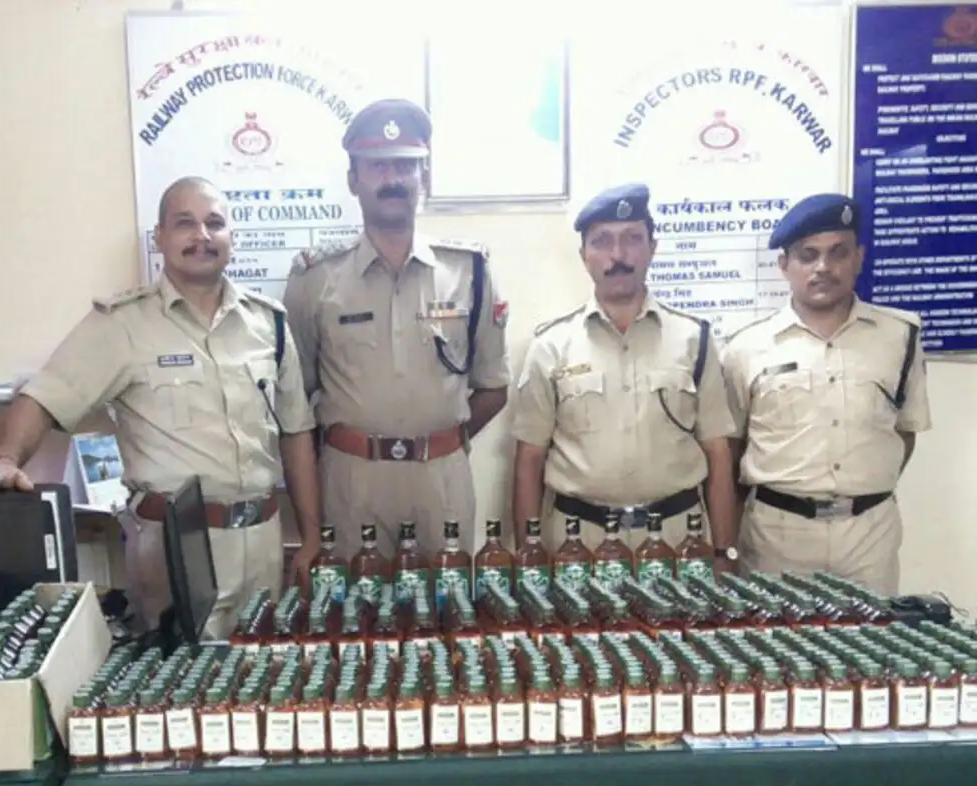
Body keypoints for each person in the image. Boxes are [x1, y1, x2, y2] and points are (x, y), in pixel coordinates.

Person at [0, 176, 321, 638]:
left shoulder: (269, 323)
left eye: (214, 223)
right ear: (160, 237)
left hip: (262, 540)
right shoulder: (121, 325)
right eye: (185, 223)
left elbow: (296, 432)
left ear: (232, 238)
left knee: (260, 669)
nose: (201, 235)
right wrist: (3, 460)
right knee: (176, 674)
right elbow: (43, 397)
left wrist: (311, 535)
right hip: (174, 547)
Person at [282, 98, 511, 559]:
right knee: (356, 602)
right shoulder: (315, 277)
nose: (393, 179)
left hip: (441, 481)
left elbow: (493, 388)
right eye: (378, 166)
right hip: (351, 480)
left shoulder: (469, 270)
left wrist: (440, 442)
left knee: (447, 601)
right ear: (353, 179)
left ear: (424, 176)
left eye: (406, 166)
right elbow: (295, 404)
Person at [511, 183, 740, 562]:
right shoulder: (551, 345)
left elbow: (717, 453)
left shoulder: (694, 339)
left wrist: (723, 553)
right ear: (584, 256)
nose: (617, 255)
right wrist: (528, 558)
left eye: (632, 238)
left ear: (653, 247)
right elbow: (529, 460)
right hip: (578, 543)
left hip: (678, 539)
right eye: (602, 241)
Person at [721, 193, 930, 594]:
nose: (823, 267)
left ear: (859, 258)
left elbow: (904, 431)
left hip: (868, 535)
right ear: (784, 265)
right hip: (777, 535)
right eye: (808, 255)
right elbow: (732, 448)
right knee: (776, 634)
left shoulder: (900, 336)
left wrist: (860, 486)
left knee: (871, 634)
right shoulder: (745, 346)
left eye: (838, 252)